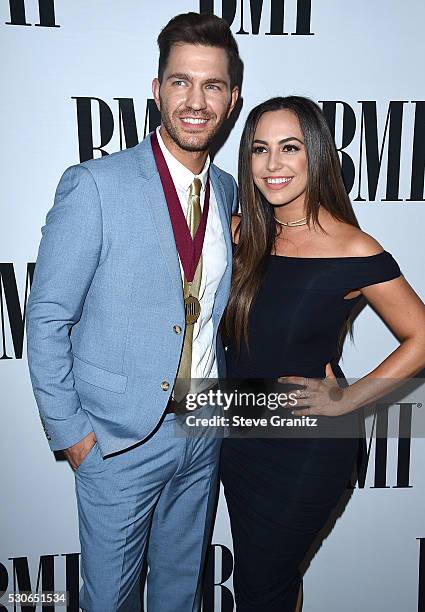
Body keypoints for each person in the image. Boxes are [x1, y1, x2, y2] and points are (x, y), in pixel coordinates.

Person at [26, 12, 240, 612]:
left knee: (179, 594)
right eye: (181, 82)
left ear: (232, 99)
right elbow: (45, 321)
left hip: (203, 430)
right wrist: (75, 440)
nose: (196, 101)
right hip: (117, 443)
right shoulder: (95, 186)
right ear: (156, 90)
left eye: (213, 86)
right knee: (111, 602)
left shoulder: (228, 191)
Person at [220, 96, 425, 611]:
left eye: (289, 148)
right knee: (267, 579)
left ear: (315, 153)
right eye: (259, 150)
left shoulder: (353, 248)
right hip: (237, 437)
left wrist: (347, 400)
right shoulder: (239, 231)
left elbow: (422, 336)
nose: (273, 165)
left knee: (262, 585)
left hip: (307, 446)